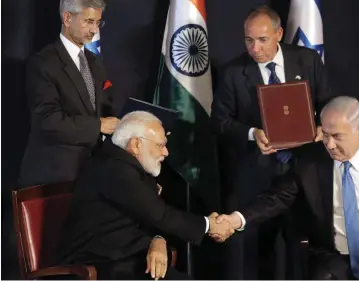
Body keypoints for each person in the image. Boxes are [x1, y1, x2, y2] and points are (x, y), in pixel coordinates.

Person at [217, 96, 359, 280]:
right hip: (331, 255)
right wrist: (235, 219)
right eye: (325, 134)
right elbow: (275, 198)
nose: (330, 145)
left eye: (337, 136)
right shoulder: (309, 161)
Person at [210, 5, 332, 279]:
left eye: (262, 39)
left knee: (295, 253)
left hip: (303, 169)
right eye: (248, 40)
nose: (255, 48)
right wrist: (253, 134)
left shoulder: (308, 60)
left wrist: (322, 129)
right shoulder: (233, 72)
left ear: (279, 33)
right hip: (256, 174)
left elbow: (328, 105)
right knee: (250, 255)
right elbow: (218, 121)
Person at [58, 111, 234, 280]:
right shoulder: (113, 170)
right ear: (136, 144)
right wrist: (209, 225)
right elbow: (160, 215)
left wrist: (157, 240)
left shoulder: (131, 168)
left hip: (125, 259)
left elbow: (147, 219)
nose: (166, 152)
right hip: (95, 267)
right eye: (160, 145)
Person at [18, 0, 119, 188]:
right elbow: (48, 121)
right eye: (88, 21)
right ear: (67, 18)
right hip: (54, 177)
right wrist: (98, 125)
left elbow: (105, 108)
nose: (94, 30)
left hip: (92, 174)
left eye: (98, 23)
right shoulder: (43, 63)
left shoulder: (95, 63)